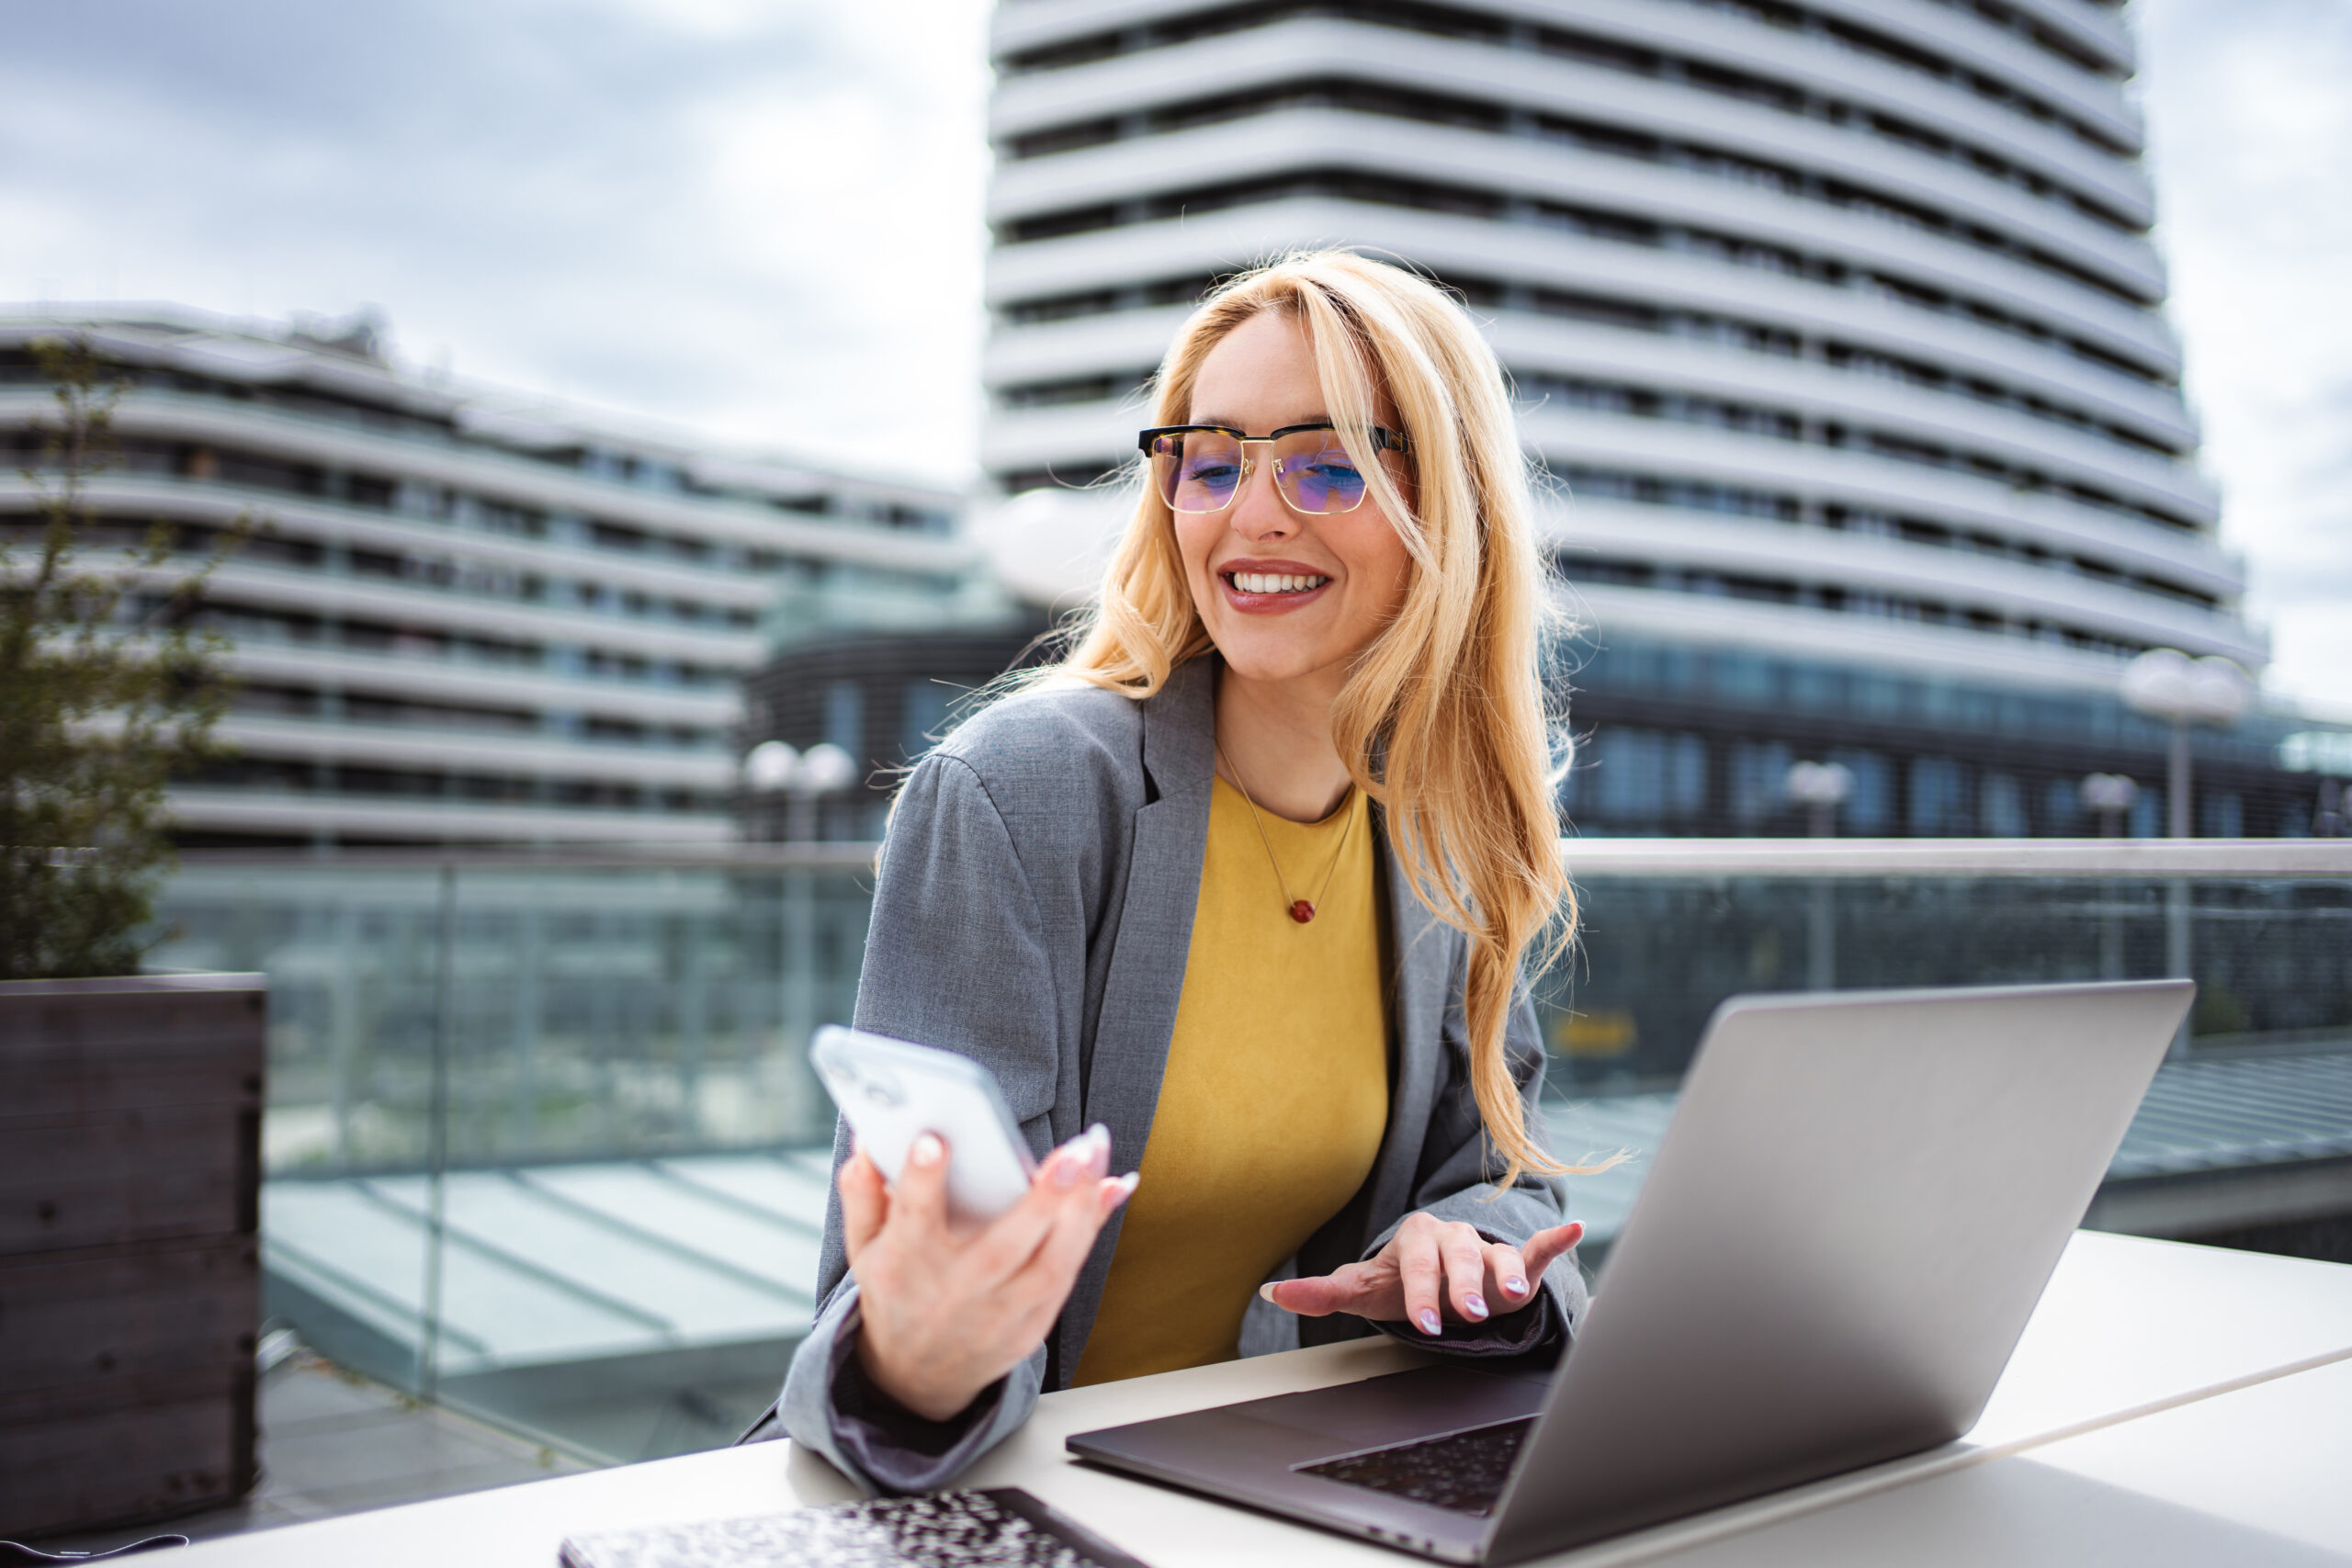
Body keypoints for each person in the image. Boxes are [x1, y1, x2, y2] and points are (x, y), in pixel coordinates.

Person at [746, 250, 1600, 1492]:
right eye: (1211, 462)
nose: (1254, 515)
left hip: (1266, 1485)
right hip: (1004, 1493)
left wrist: (1459, 1246)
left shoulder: (1442, 832)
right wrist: (922, 1363)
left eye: (1325, 463)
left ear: (1449, 505)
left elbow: (1503, 1178)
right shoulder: (1021, 792)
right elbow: (903, 1293)